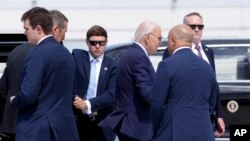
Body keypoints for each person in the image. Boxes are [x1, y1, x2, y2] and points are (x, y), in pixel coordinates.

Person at [9, 7, 79, 141]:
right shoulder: (67, 54)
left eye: (27, 28)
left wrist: (14, 101)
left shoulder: (36, 54)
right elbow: (71, 93)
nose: (24, 32)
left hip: (37, 129)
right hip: (64, 129)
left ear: (39, 29)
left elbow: (29, 94)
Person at [162, 12, 225, 137]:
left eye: (200, 27)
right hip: (182, 120)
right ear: (184, 28)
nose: (197, 30)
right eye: (193, 26)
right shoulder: (172, 51)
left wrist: (219, 115)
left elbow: (213, 86)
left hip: (205, 117)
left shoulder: (208, 52)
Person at [151, 24, 218, 141]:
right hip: (204, 132)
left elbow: (157, 104)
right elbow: (211, 103)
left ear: (172, 40)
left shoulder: (166, 65)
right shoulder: (207, 66)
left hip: (174, 132)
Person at [99, 21, 162, 141]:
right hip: (137, 125)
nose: (160, 42)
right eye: (159, 38)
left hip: (131, 124)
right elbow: (147, 93)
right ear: (148, 38)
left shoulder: (131, 54)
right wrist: (166, 100)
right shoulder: (139, 57)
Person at [72, 25, 117, 141]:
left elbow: (111, 95)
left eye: (101, 43)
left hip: (102, 122)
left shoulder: (113, 65)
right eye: (93, 43)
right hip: (79, 122)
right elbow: (69, 82)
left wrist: (87, 104)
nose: (97, 46)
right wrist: (76, 99)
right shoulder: (77, 58)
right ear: (87, 42)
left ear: (106, 42)